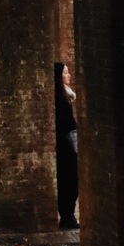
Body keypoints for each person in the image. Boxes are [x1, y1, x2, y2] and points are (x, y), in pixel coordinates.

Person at [54, 61, 79, 229]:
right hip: (66, 144)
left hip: (69, 140)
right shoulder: (60, 98)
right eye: (65, 73)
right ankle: (67, 216)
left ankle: (68, 215)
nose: (69, 76)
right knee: (70, 178)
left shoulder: (66, 94)